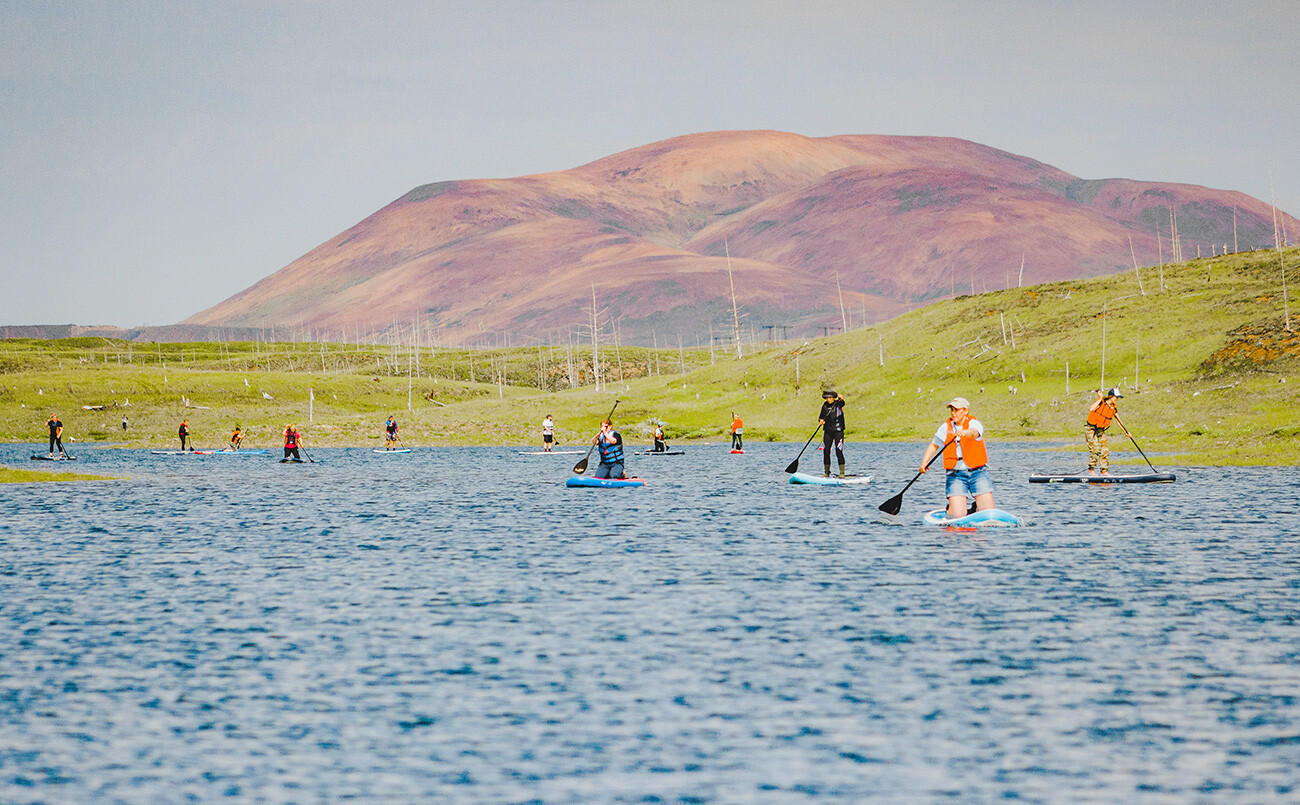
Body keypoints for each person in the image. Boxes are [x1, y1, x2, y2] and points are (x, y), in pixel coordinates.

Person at [919, 397, 994, 519]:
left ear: (966, 411)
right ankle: (951, 508)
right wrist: (924, 463)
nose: (953, 413)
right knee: (957, 515)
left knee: (988, 512)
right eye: (952, 410)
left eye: (956, 410)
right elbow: (933, 445)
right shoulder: (945, 427)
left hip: (978, 472)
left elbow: (975, 432)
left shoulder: (973, 423)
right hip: (955, 475)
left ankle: (976, 507)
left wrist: (966, 432)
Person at [1085, 387, 1129, 475]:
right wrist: (1100, 398)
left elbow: (1118, 421)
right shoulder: (1101, 402)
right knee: (1094, 449)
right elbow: (1091, 408)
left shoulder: (1113, 408)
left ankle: (1104, 471)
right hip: (1091, 428)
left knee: (1105, 450)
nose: (1117, 399)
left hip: (1100, 429)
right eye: (1116, 397)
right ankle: (1091, 470)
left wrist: (1126, 432)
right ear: (1111, 396)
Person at [819, 390, 847, 478]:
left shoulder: (838, 404)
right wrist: (821, 421)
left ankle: (842, 473)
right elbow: (821, 417)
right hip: (828, 431)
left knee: (838, 451)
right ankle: (827, 472)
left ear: (833, 398)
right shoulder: (825, 406)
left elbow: (842, 403)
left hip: (838, 431)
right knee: (826, 451)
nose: (829, 399)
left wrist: (841, 398)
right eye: (827, 398)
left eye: (830, 398)